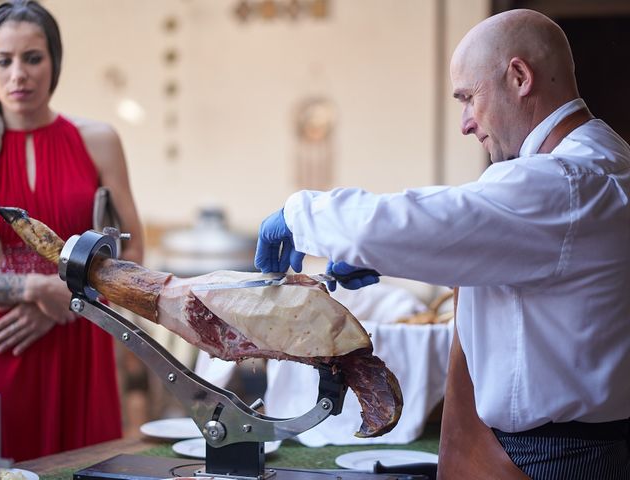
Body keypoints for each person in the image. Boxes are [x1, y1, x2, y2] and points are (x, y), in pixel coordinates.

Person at [254, 8, 630, 480]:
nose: (466, 123)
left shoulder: (564, 181)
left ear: (519, 77)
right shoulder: (607, 157)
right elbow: (523, 261)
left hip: (553, 460)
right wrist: (387, 255)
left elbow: (429, 218)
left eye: (470, 98)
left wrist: (297, 213)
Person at [0, 0, 143, 462]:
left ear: (54, 62)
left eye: (33, 58)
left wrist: (70, 300)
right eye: (3, 60)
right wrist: (39, 288)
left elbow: (132, 253)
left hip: (83, 336)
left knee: (89, 466)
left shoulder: (97, 140)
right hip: (2, 340)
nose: (19, 74)